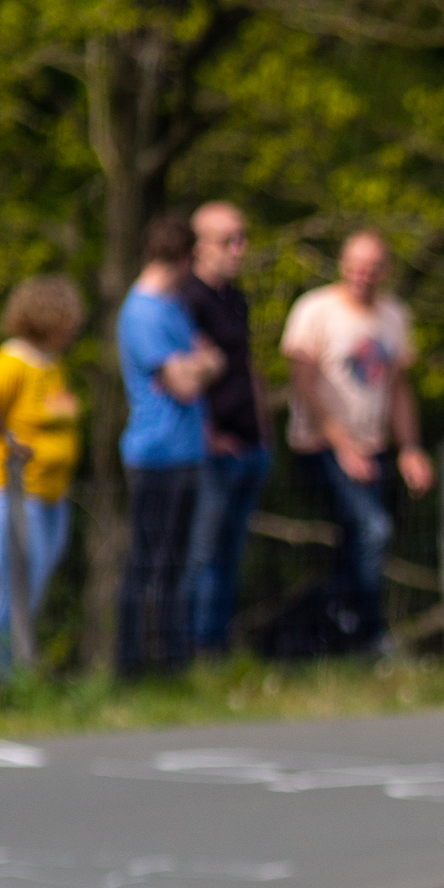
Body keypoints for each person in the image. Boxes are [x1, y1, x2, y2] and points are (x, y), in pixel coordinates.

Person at [280, 231, 432, 652]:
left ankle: (335, 636)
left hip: (372, 449)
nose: (364, 275)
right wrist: (341, 444)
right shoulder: (315, 310)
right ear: (343, 265)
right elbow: (304, 384)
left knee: (358, 544)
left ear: (386, 270)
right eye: (356, 265)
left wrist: (411, 448)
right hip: (320, 448)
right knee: (371, 530)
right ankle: (366, 635)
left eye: (373, 266)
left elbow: (399, 388)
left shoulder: (394, 316)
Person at [116, 216, 223, 678]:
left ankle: (171, 664)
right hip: (155, 454)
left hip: (187, 451)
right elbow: (183, 383)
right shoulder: (142, 312)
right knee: (148, 564)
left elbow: (212, 359)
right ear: (182, 258)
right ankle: (134, 666)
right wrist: (200, 367)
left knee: (178, 564)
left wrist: (198, 365)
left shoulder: (174, 306)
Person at [180, 202, 272, 656]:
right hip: (212, 451)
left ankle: (216, 650)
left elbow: (245, 365)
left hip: (249, 444)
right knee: (202, 555)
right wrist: (208, 435)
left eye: (243, 237)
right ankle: (191, 650)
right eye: (227, 240)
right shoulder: (187, 300)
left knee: (231, 556)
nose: (239, 249)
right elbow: (181, 378)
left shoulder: (236, 297)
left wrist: (264, 428)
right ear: (198, 246)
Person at [0, 276, 86, 671]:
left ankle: (14, 672)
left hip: (52, 495)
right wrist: (10, 441)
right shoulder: (12, 362)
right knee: (9, 589)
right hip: (15, 495)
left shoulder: (52, 366)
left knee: (33, 589)